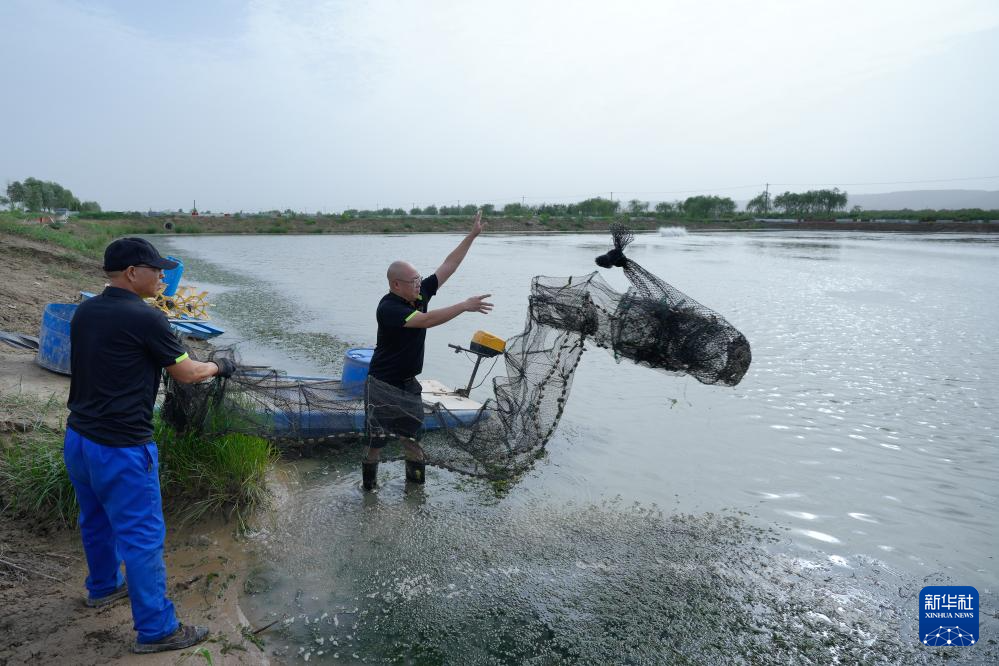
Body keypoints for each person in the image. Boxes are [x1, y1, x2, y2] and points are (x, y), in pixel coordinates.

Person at [63, 237, 236, 654]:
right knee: (142, 537)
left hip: (79, 439)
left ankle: (103, 587)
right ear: (131, 273)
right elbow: (188, 373)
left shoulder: (85, 311)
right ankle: (157, 629)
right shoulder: (146, 318)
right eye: (155, 269)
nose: (163, 276)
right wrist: (219, 365)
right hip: (122, 446)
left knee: (96, 520)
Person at [363, 211, 492, 490]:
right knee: (376, 444)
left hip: (409, 385)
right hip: (382, 385)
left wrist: (472, 236)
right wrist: (463, 305)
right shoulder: (389, 308)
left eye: (419, 278)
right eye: (413, 281)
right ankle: (369, 491)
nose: (419, 284)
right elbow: (427, 321)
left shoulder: (418, 295)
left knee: (413, 442)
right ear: (396, 285)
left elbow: (449, 265)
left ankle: (416, 495)